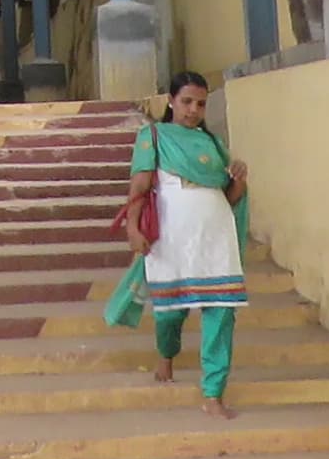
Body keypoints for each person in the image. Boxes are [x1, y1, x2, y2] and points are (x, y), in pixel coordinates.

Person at [102, 71, 246, 411]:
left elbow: (231, 197)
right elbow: (139, 188)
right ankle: (166, 353)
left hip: (215, 233)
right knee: (170, 312)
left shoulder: (213, 144)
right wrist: (133, 229)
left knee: (221, 312)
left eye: (200, 103)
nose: (193, 110)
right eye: (186, 102)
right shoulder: (153, 136)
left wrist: (239, 177)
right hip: (172, 235)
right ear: (170, 100)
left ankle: (213, 392)